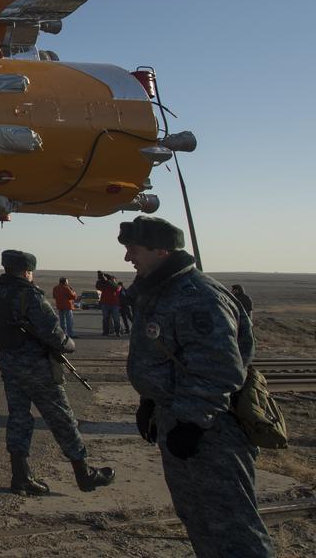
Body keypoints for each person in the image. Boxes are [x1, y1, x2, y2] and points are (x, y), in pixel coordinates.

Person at [122, 216, 273, 557]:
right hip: (178, 419)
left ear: (160, 250)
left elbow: (218, 368)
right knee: (198, 519)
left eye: (134, 249)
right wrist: (150, 401)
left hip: (211, 430)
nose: (128, 257)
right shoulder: (161, 292)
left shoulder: (196, 296)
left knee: (232, 526)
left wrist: (191, 422)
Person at [0, 249, 114, 496]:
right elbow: (55, 335)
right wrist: (70, 344)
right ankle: (84, 473)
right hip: (37, 367)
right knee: (62, 418)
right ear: (27, 272)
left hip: (10, 364)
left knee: (19, 418)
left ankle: (21, 476)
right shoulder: (30, 297)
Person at [97, 271, 122, 337]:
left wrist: (107, 281)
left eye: (113, 280)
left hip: (114, 304)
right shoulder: (105, 285)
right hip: (105, 304)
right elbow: (98, 286)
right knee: (105, 319)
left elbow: (116, 288)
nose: (112, 280)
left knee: (116, 319)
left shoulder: (118, 286)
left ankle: (117, 332)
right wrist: (101, 279)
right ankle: (106, 332)